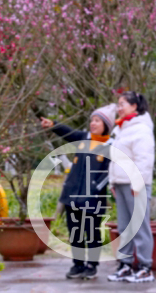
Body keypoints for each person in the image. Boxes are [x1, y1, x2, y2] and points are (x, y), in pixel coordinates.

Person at [41, 104, 116, 280]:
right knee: (74, 230)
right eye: (92, 120)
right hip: (72, 194)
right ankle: (78, 264)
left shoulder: (111, 146)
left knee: (92, 232)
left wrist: (96, 189)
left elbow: (109, 173)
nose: (93, 123)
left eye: (97, 120)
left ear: (106, 125)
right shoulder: (83, 138)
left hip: (93, 198)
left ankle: (92, 264)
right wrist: (53, 124)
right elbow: (67, 132)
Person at [107, 91, 156, 284]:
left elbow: (144, 160)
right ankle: (125, 266)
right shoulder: (121, 129)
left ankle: (145, 268)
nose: (119, 108)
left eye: (123, 104)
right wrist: (112, 181)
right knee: (124, 226)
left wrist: (139, 182)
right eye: (118, 104)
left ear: (134, 106)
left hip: (136, 184)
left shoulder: (141, 128)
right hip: (121, 184)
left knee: (140, 226)